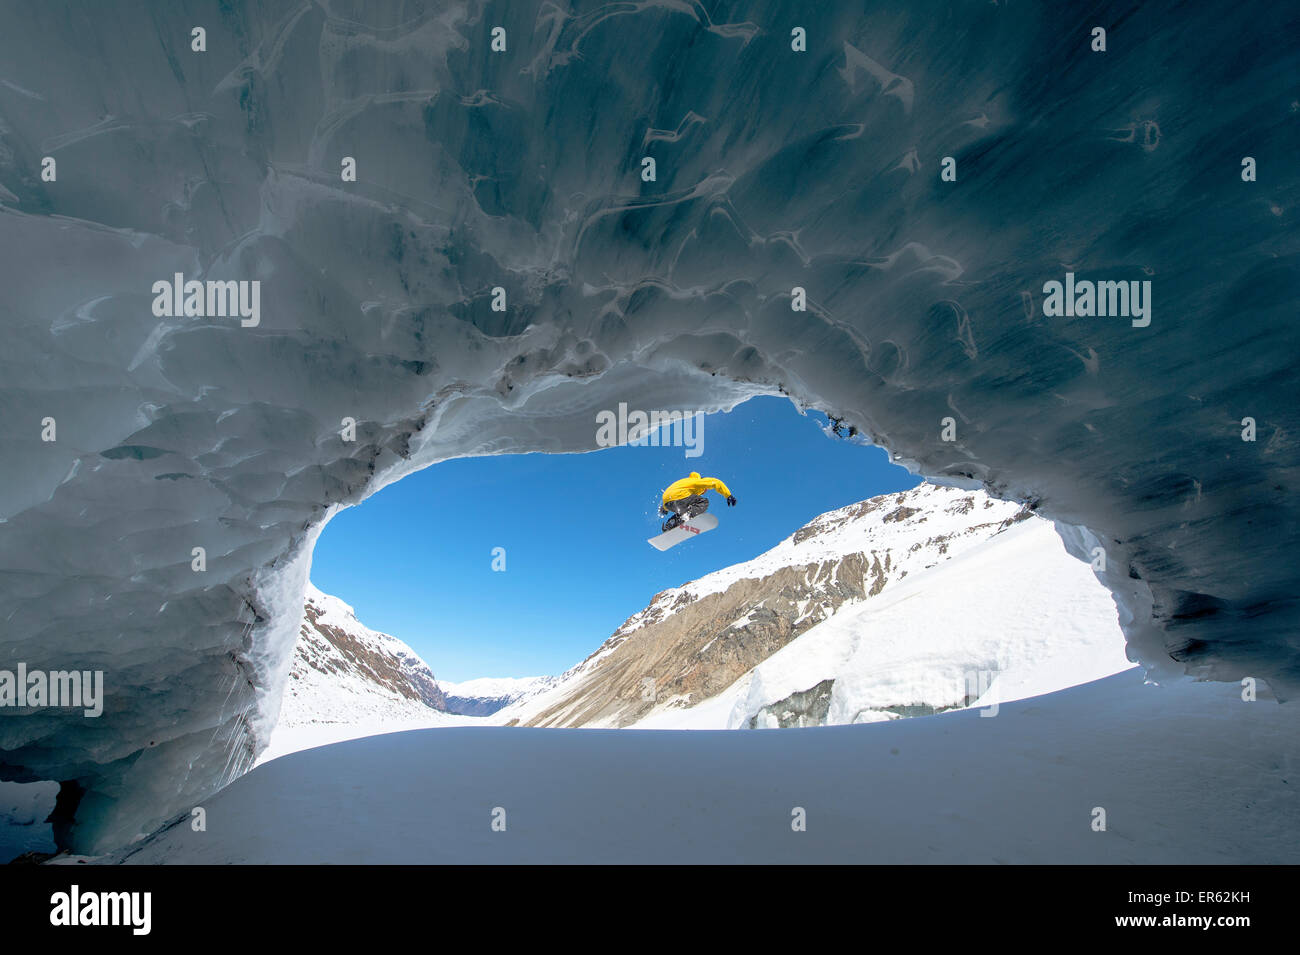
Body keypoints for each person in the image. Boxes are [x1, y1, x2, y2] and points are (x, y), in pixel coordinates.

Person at [659, 472, 737, 531]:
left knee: (686, 509)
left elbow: (670, 495)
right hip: (679, 497)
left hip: (667, 502)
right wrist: (728, 495)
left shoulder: (685, 482)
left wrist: (665, 508)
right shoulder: (697, 481)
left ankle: (671, 523)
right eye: (705, 490)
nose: (704, 492)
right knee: (704, 502)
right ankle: (684, 517)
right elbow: (716, 482)